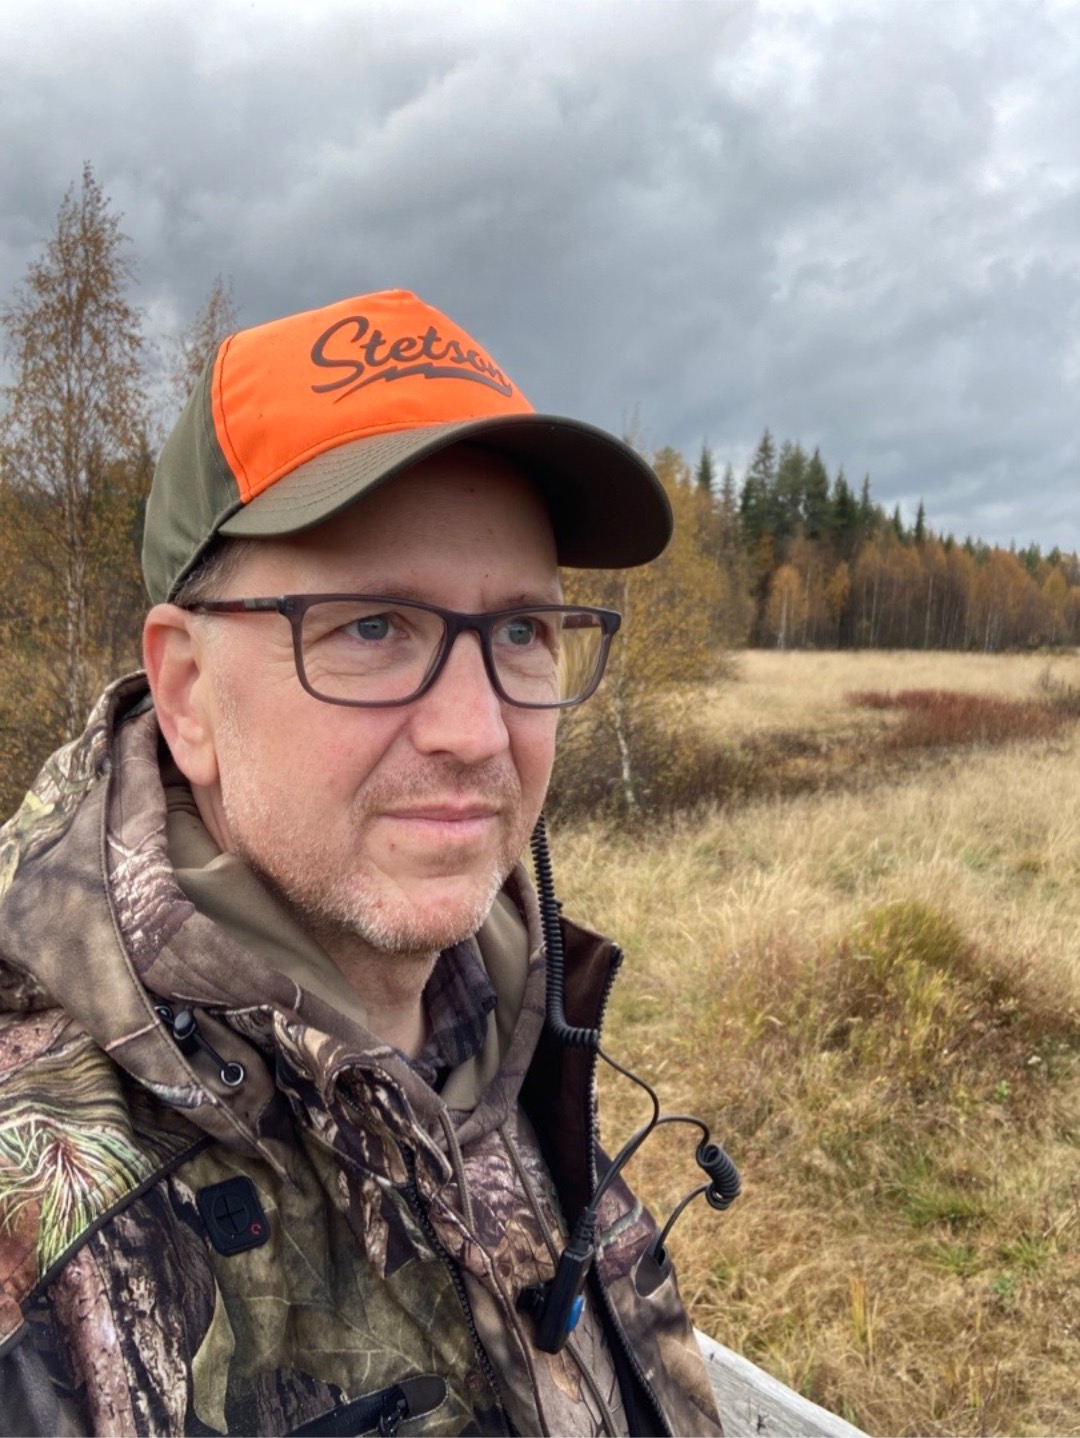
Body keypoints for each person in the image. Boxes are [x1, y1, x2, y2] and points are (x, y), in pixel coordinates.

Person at [0, 290, 725, 1437]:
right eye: (374, 626)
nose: (476, 732)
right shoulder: (41, 1223)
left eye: (521, 632)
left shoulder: (515, 1029)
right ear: (188, 692)